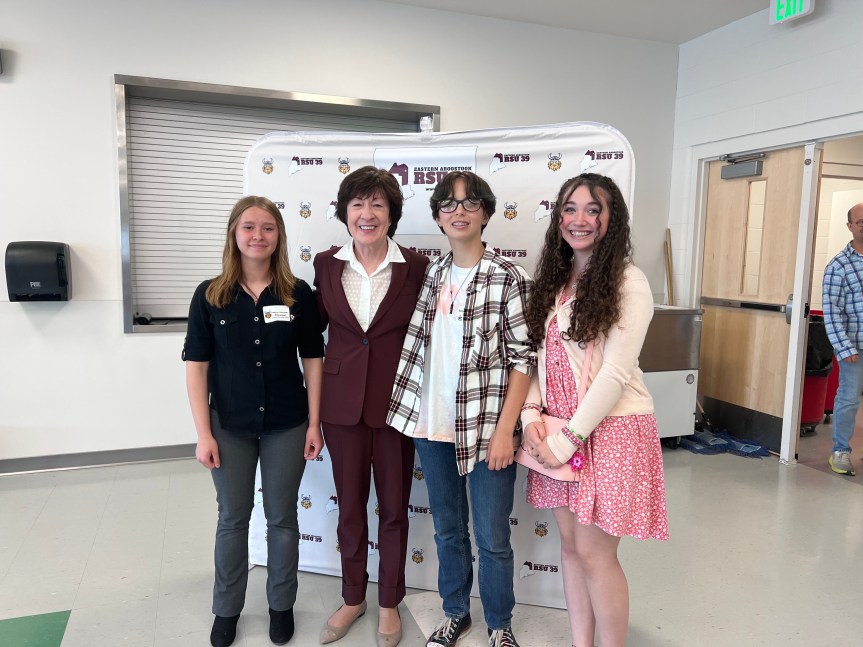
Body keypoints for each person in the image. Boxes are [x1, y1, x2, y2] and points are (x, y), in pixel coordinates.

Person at [388, 171, 536, 647]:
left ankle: (500, 624)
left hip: (486, 428)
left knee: (493, 538)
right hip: (431, 425)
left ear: (486, 214)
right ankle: (457, 613)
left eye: (470, 203)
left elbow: (523, 359)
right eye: (448, 205)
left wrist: (505, 430)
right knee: (449, 531)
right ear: (437, 216)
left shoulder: (508, 277)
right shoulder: (432, 274)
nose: (459, 211)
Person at [520, 173, 668, 647]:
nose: (579, 219)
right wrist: (529, 418)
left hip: (610, 432)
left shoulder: (629, 281)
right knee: (569, 546)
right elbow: (540, 359)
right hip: (557, 430)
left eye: (592, 209)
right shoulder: (555, 281)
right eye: (570, 208)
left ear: (611, 220)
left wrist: (567, 440)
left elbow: (614, 375)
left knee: (595, 552)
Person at [183, 196, 324, 647]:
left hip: (287, 422)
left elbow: (314, 359)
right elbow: (197, 366)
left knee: (282, 518)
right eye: (248, 227)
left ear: (279, 236)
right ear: (234, 235)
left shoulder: (298, 294)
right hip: (229, 426)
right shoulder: (210, 295)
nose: (258, 236)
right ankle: (226, 610)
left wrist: (315, 423)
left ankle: (281, 606)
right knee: (233, 519)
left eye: (267, 227)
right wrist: (203, 432)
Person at [313, 166, 429, 647]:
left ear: (392, 214)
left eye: (378, 205)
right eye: (358, 204)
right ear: (344, 212)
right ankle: (353, 597)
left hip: (398, 406)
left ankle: (388, 603)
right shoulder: (324, 264)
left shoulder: (418, 267)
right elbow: (313, 339)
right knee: (350, 509)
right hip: (341, 409)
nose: (367, 214)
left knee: (394, 510)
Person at [822, 202, 863, 476]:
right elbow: (831, 309)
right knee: (848, 398)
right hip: (854, 347)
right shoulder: (839, 265)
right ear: (849, 226)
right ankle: (840, 452)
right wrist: (843, 346)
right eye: (860, 221)